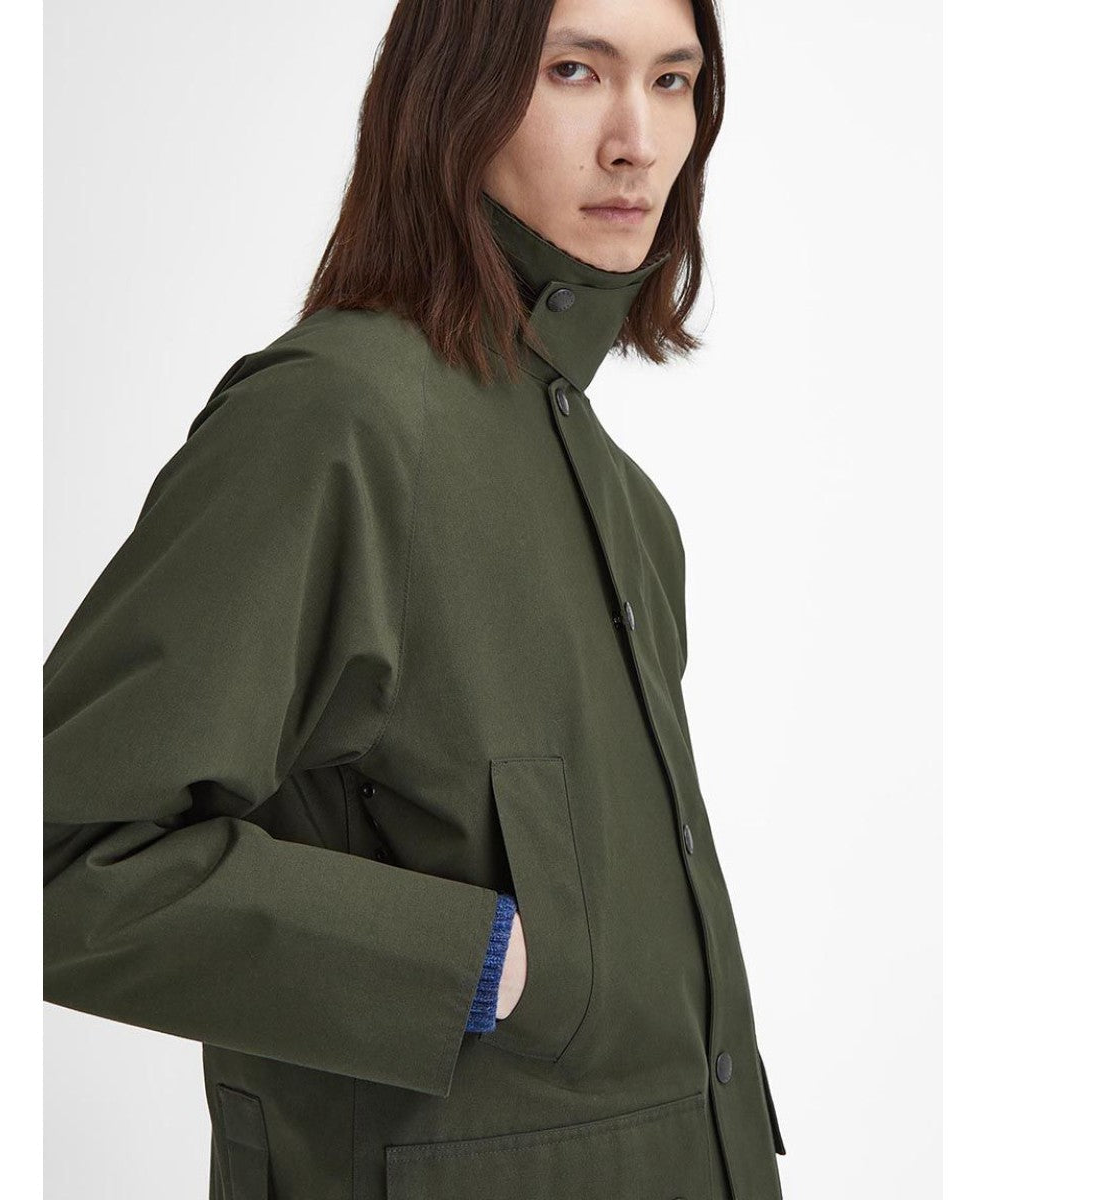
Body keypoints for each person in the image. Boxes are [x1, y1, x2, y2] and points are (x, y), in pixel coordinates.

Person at [43, 0, 787, 1196]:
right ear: (452, 93)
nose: (637, 142)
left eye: (672, 81)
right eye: (573, 70)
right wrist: (468, 962)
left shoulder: (629, 508)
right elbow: (53, 854)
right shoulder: (335, 419)